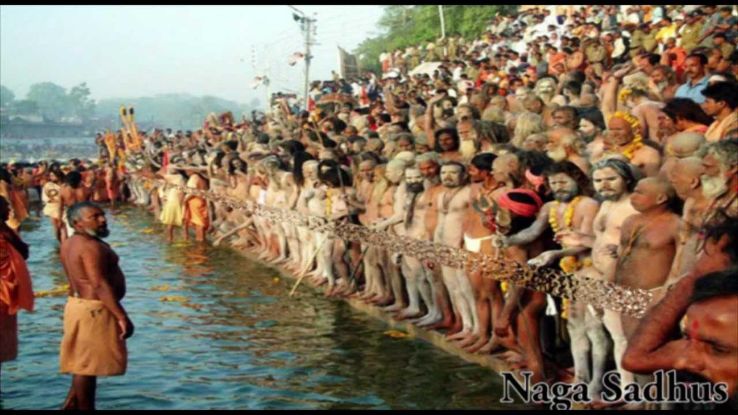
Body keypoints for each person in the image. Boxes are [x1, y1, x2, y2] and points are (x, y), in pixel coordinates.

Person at [59, 201, 134, 410]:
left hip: (79, 305)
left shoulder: (70, 243)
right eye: (95, 217)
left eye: (102, 215)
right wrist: (121, 317)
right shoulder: (89, 246)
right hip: (93, 309)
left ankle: (72, 404)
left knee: (84, 363)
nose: (102, 220)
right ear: (78, 223)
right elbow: (98, 283)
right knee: (86, 366)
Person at [0, 196, 33, 383]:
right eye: (6, 207)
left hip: (5, 296)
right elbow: (23, 251)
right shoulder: (5, 234)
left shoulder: (5, 232)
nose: (10, 210)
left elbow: (23, 252)